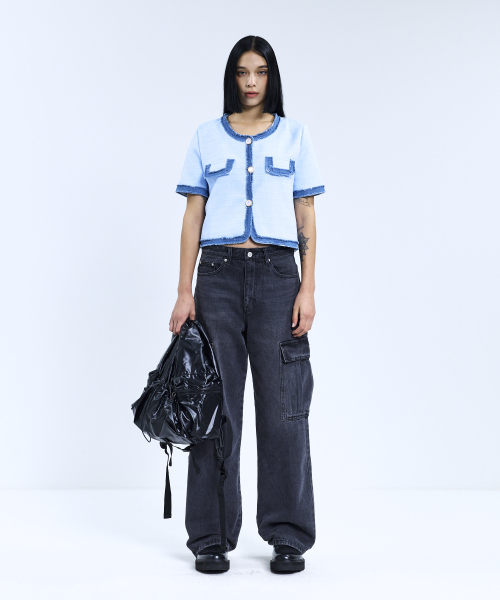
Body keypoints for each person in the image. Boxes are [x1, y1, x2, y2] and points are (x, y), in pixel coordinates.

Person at [169, 35, 325, 574]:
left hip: (280, 279)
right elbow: (193, 215)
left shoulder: (296, 135)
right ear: (232, 77)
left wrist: (308, 287)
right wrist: (184, 289)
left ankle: (288, 535)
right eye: (242, 72)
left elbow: (306, 215)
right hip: (216, 279)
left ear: (271, 77)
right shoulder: (206, 136)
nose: (251, 81)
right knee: (217, 409)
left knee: (284, 411)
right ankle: (211, 536)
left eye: (260, 71)